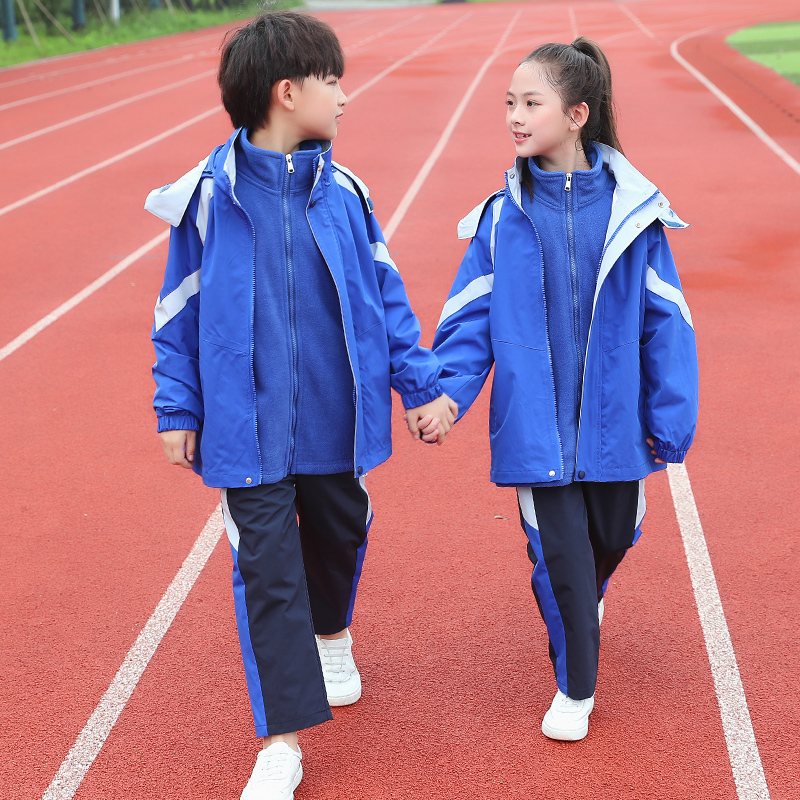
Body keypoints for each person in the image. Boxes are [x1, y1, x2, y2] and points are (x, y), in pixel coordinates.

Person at [146, 12, 456, 799]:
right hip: (245, 430)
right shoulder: (208, 200)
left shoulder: (344, 194)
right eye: (333, 82)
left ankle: (333, 631)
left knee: (338, 531)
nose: (345, 98)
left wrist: (419, 387)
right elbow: (177, 308)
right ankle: (281, 743)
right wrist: (177, 406)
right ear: (288, 93)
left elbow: (385, 297)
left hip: (331, 416)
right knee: (267, 570)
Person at [427, 38, 698, 742]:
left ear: (577, 114)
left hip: (615, 428)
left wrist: (670, 418)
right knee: (568, 567)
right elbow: (468, 320)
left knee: (611, 537)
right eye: (509, 104)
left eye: (530, 103)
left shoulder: (636, 214)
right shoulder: (501, 218)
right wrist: (449, 394)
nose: (514, 117)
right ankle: (576, 687)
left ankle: (575, 596)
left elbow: (667, 322)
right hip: (535, 428)